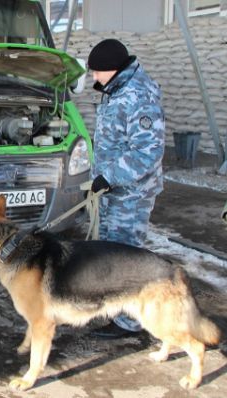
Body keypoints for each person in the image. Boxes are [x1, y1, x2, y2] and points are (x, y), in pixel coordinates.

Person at [87, 38, 165, 338]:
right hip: (115, 191)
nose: (94, 78)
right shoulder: (116, 89)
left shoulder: (139, 95)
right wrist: (100, 179)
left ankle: (131, 323)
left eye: (97, 72)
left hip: (131, 195)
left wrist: (110, 176)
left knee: (128, 259)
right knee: (112, 256)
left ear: (113, 69)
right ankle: (118, 313)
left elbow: (147, 152)